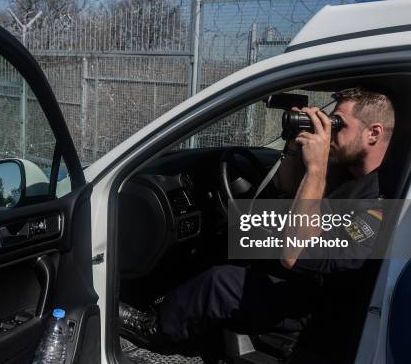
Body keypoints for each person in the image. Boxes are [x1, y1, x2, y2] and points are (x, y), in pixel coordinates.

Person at [119, 87, 396, 349]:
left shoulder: (379, 203)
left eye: (338, 124)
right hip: (306, 280)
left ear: (373, 133)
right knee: (236, 243)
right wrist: (292, 144)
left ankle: (154, 328)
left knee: (221, 283)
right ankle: (187, 319)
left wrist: (315, 168)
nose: (329, 132)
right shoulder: (349, 172)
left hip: (321, 308)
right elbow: (286, 187)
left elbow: (294, 255)